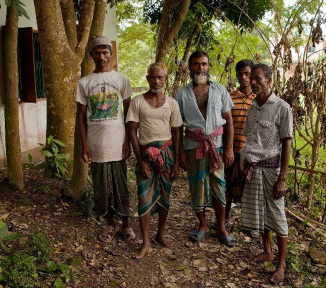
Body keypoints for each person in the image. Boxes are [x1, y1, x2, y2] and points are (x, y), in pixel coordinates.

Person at [76, 36, 137, 245]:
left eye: (106, 52)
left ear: (111, 54)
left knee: (121, 185)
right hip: (96, 144)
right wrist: (84, 145)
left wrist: (128, 141)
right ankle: (110, 224)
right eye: (97, 53)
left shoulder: (122, 80)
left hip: (118, 142)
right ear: (91, 55)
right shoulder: (84, 82)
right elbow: (81, 116)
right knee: (102, 186)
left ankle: (126, 225)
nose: (102, 57)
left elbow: (129, 113)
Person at [176, 51, 235, 247]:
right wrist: (180, 153)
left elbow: (229, 121)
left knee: (219, 185)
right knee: (196, 186)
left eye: (204, 64)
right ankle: (202, 224)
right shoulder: (182, 94)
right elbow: (177, 126)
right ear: (190, 67)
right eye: (196, 64)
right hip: (193, 146)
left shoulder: (220, 91)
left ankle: (221, 227)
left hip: (216, 146)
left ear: (208, 66)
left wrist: (228, 149)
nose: (200, 68)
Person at [241, 63, 293, 284]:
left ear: (269, 81)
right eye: (251, 78)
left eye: (258, 78)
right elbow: (250, 139)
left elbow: (287, 143)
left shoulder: (281, 107)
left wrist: (282, 178)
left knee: (278, 217)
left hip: (272, 170)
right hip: (253, 167)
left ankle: (281, 265)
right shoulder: (253, 108)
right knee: (260, 214)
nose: (253, 82)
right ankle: (267, 251)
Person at [126, 63, 183, 259]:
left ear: (165, 80)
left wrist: (176, 162)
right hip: (146, 155)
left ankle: (160, 234)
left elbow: (176, 132)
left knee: (165, 195)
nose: (156, 81)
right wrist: (140, 160)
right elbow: (132, 131)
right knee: (144, 196)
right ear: (147, 78)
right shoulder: (137, 102)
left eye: (160, 78)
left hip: (166, 154)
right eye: (153, 77)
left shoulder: (172, 104)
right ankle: (146, 242)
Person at [224, 59, 256, 228]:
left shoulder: (259, 99)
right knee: (228, 185)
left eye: (247, 74)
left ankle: (249, 223)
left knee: (249, 188)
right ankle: (226, 218)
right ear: (236, 75)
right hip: (232, 149)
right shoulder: (229, 97)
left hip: (251, 152)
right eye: (240, 74)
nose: (243, 77)